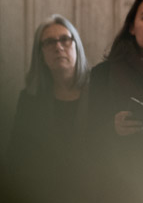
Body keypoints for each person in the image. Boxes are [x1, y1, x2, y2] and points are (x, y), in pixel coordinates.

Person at [87, 0, 143, 175]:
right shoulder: (104, 74)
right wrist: (112, 127)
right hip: (120, 178)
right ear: (132, 27)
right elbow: (88, 133)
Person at [8, 15, 90, 172]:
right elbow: (16, 155)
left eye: (65, 39)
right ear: (40, 54)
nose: (58, 47)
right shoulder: (30, 100)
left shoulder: (99, 90)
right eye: (50, 42)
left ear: (76, 45)